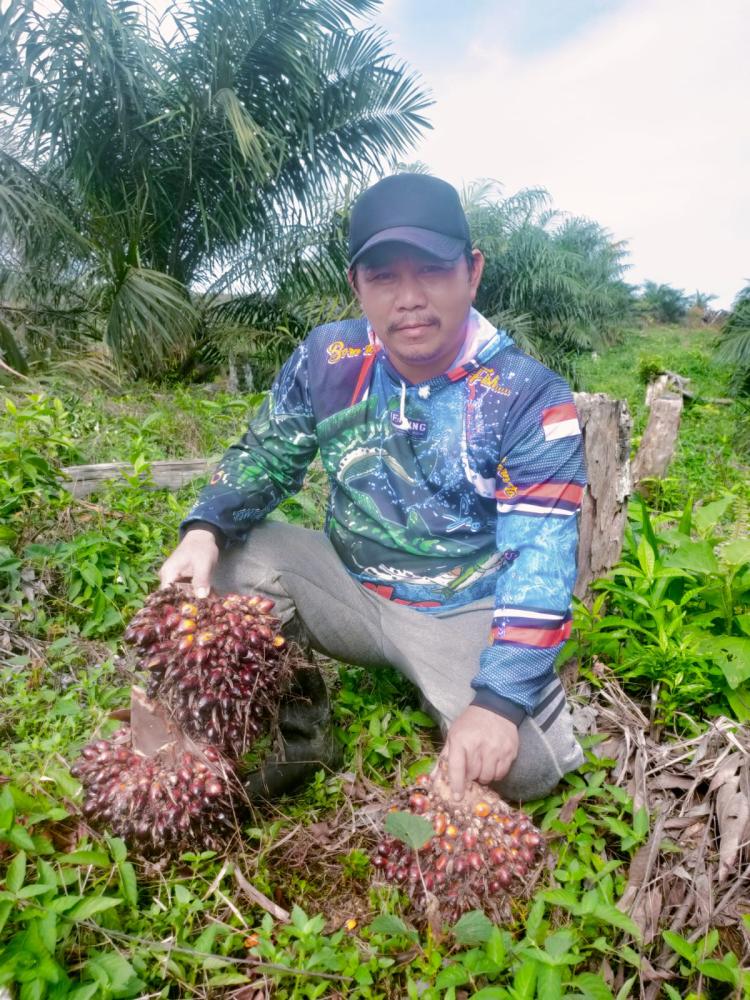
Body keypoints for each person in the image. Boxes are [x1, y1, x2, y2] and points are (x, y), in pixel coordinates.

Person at [160, 173, 586, 803]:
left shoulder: (527, 397)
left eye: (432, 271)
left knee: (524, 770)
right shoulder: (328, 357)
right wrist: (202, 529)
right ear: (357, 285)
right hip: (347, 581)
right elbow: (267, 454)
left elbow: (540, 557)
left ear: (472, 272)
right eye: (384, 276)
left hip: (458, 606)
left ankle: (484, 688)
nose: (408, 298)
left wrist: (498, 703)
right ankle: (301, 738)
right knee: (222, 565)